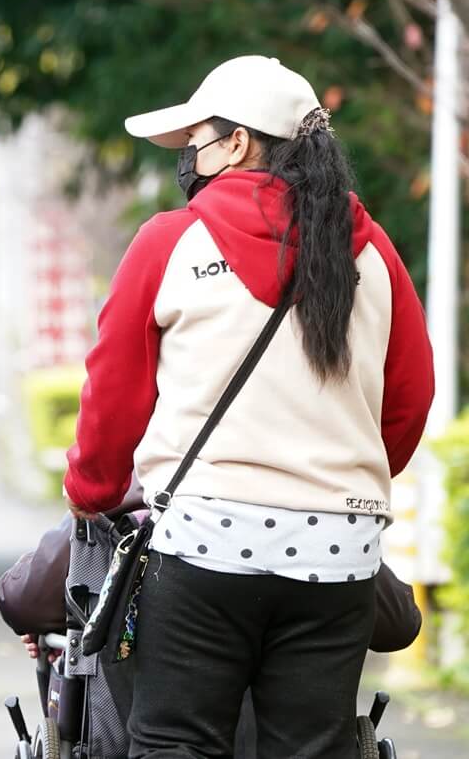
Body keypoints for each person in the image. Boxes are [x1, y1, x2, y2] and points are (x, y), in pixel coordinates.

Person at [63, 56, 434, 758]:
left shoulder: (171, 242)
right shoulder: (374, 253)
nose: (190, 162)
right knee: (314, 748)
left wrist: (92, 491)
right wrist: (335, 482)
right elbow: (410, 399)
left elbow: (111, 392)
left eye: (196, 142)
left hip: (203, 543)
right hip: (337, 555)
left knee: (176, 741)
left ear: (237, 143)